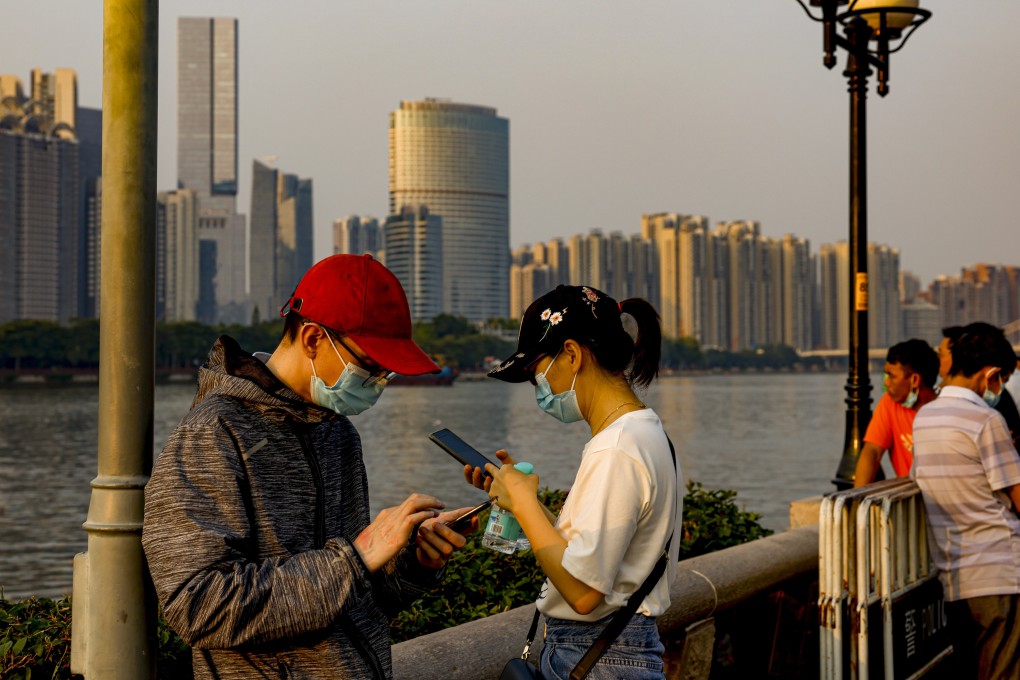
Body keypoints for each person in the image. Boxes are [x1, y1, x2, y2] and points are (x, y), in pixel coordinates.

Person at [143, 254, 478, 679]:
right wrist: (356, 557)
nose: (378, 383)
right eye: (370, 366)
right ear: (314, 338)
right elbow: (197, 604)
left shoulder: (336, 431)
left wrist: (411, 560)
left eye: (386, 373)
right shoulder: (212, 433)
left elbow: (352, 596)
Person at [469, 284, 681, 679]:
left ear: (571, 354)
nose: (539, 390)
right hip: (618, 652)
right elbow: (593, 553)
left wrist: (527, 504)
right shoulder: (645, 433)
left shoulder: (616, 448)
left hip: (597, 657)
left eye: (537, 375)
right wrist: (518, 501)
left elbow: (583, 593)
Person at [912, 322, 1020, 679]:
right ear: (990, 375)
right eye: (1002, 379)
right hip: (1000, 569)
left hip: (954, 574)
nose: (1001, 388)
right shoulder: (987, 420)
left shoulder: (924, 418)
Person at [853, 339, 939, 487]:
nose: (886, 383)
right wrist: (856, 500)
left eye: (891, 376)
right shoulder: (890, 403)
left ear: (915, 380)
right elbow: (872, 451)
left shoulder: (945, 410)